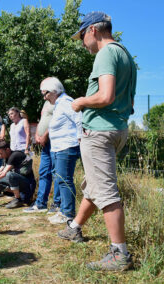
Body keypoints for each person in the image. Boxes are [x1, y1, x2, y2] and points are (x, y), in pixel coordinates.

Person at [58, 12, 136, 271]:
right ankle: (75, 228)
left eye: (82, 36)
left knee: (106, 192)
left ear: (92, 30)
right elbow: (129, 102)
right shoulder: (125, 54)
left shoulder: (105, 53)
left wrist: (80, 101)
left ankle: (119, 254)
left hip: (100, 132)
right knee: (94, 185)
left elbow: (105, 96)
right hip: (117, 129)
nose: (82, 43)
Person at [39, 77, 82, 224]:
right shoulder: (58, 104)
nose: (44, 97)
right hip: (59, 147)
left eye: (45, 94)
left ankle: (68, 213)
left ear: (54, 91)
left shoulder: (65, 102)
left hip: (66, 146)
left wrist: (80, 138)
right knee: (61, 179)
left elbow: (78, 118)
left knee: (64, 181)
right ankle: (64, 210)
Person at [23, 100, 61, 214]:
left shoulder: (60, 101)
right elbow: (43, 119)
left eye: (45, 92)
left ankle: (57, 204)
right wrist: (37, 134)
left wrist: (45, 134)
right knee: (43, 171)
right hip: (45, 143)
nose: (43, 96)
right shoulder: (46, 103)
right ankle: (41, 203)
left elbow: (57, 120)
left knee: (56, 172)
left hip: (54, 141)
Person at [0, 141, 35, 208]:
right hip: (20, 183)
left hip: (28, 184)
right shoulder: (6, 157)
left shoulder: (15, 155)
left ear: (7, 150)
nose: (0, 156)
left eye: (1, 153)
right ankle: (18, 194)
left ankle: (18, 199)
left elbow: (3, 174)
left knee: (10, 175)